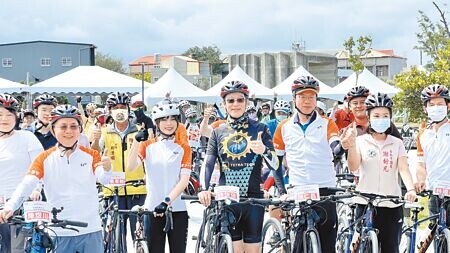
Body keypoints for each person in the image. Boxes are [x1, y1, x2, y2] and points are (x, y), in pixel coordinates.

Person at [0, 104, 112, 252]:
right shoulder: (44, 158)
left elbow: (104, 179)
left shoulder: (92, 155)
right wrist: (10, 207)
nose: (68, 131)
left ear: (80, 129)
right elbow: (26, 184)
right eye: (63, 126)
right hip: (60, 231)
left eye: (74, 126)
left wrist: (108, 169)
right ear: (53, 129)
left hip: (91, 229)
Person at [198, 80, 282, 253]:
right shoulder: (218, 132)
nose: (235, 104)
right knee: (235, 250)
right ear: (224, 104)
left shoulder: (260, 128)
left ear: (246, 102)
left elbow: (275, 163)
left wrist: (264, 150)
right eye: (230, 100)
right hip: (228, 199)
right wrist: (204, 189)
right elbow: (208, 164)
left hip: (253, 200)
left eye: (240, 100)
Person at [272, 75, 344, 252]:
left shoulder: (327, 123)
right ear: (294, 99)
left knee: (328, 246)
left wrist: (343, 146)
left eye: (312, 97)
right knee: (300, 244)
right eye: (303, 96)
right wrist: (282, 191)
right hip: (299, 190)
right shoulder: (284, 127)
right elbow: (276, 164)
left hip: (326, 189)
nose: (307, 101)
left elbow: (335, 148)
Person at [344, 92, 416, 252]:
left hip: (391, 204)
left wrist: (410, 189)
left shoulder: (397, 143)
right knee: (363, 247)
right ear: (369, 117)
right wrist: (351, 146)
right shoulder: (361, 141)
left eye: (385, 115)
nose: (381, 118)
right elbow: (354, 166)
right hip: (365, 202)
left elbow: (403, 168)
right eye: (376, 115)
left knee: (391, 247)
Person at [127, 97, 191, 253]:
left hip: (177, 210)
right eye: (164, 119)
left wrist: (166, 202)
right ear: (156, 122)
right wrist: (136, 141)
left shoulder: (184, 148)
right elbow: (130, 167)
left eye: (172, 119)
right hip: (152, 210)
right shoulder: (148, 145)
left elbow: (183, 182)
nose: (168, 123)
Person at [92, 92, 147, 242]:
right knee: (115, 238)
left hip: (137, 189)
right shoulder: (104, 132)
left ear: (128, 109)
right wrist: (96, 140)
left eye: (123, 107)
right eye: (115, 107)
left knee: (140, 237)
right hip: (113, 190)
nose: (119, 110)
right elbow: (94, 154)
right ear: (110, 110)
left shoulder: (139, 130)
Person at [0, 94, 44, 253]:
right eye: (0, 115)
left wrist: (36, 188)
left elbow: (39, 166)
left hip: (19, 204)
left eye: (9, 115)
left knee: (16, 249)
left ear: (16, 116)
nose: (4, 119)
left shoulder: (27, 137)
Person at [415, 84, 450, 223]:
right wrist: (421, 180)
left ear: (448, 106)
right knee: (437, 237)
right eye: (432, 104)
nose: (436, 107)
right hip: (434, 192)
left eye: (440, 104)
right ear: (425, 108)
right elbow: (421, 164)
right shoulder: (423, 133)